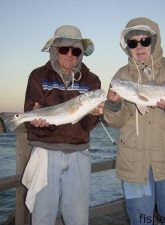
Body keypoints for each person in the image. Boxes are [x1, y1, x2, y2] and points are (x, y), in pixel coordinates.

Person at [103, 17, 165, 225]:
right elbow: (115, 122)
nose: (139, 46)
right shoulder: (121, 76)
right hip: (133, 162)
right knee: (140, 219)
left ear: (154, 42)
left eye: (144, 41)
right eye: (132, 42)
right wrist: (113, 105)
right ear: (127, 47)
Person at [21, 25, 103, 225]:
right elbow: (32, 115)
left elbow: (87, 125)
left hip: (79, 152)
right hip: (45, 153)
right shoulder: (38, 76)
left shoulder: (92, 81)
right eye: (64, 49)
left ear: (82, 53)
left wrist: (94, 114)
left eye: (76, 50)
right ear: (54, 49)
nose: (70, 55)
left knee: (78, 216)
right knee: (42, 215)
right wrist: (40, 122)